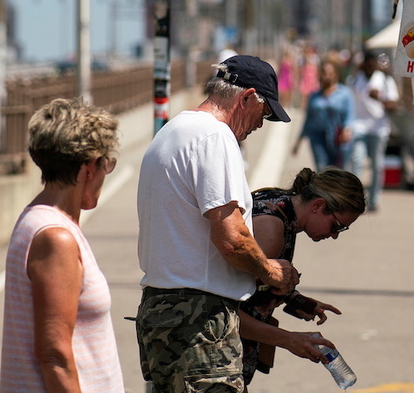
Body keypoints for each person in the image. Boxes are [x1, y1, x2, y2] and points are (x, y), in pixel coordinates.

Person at [136, 55, 300, 392]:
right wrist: (272, 271)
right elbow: (232, 238)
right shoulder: (215, 138)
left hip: (160, 311)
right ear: (246, 98)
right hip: (200, 320)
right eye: (264, 113)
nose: (259, 125)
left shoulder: (172, 131)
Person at [0, 98, 124, 392]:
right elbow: (54, 355)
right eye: (108, 164)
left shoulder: (39, 220)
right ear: (90, 167)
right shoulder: (56, 237)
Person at [237, 167, 367, 386]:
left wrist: (292, 298)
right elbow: (223, 313)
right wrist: (290, 340)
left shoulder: (282, 205)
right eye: (337, 226)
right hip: (211, 353)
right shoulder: (271, 230)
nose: (334, 235)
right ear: (318, 205)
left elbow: (255, 287)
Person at [346, 50, 399, 210]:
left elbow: (394, 106)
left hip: (378, 129)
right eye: (366, 64)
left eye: (372, 65)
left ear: (375, 64)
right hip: (359, 127)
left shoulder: (384, 80)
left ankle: (374, 200)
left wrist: (380, 98)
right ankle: (356, 199)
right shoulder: (355, 79)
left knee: (377, 165)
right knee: (357, 162)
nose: (369, 68)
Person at [292, 60, 355, 171]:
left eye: (328, 73)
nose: (325, 76)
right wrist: (299, 141)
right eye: (323, 72)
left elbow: (349, 114)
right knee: (322, 166)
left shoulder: (344, 93)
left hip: (336, 137)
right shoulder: (314, 96)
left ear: (335, 74)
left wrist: (347, 129)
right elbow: (308, 119)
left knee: (337, 170)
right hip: (317, 136)